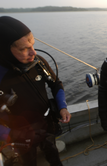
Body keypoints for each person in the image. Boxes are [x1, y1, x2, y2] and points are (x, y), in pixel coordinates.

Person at [0, 16, 71, 166]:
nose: (33, 53)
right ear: (5, 50)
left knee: (53, 153)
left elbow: (56, 84)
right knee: (28, 162)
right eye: (24, 49)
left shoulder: (38, 62)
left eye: (32, 44)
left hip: (47, 124)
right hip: (21, 134)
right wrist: (9, 135)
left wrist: (62, 107)